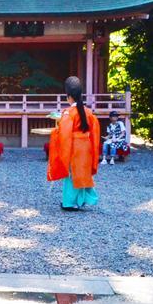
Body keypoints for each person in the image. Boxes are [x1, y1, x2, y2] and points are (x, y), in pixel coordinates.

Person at [47, 76, 101, 210]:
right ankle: (81, 200)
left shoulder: (68, 112)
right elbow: (95, 132)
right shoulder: (89, 112)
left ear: (69, 97)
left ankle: (69, 203)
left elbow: (64, 133)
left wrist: (55, 133)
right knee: (83, 173)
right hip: (86, 146)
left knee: (71, 175)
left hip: (73, 147)